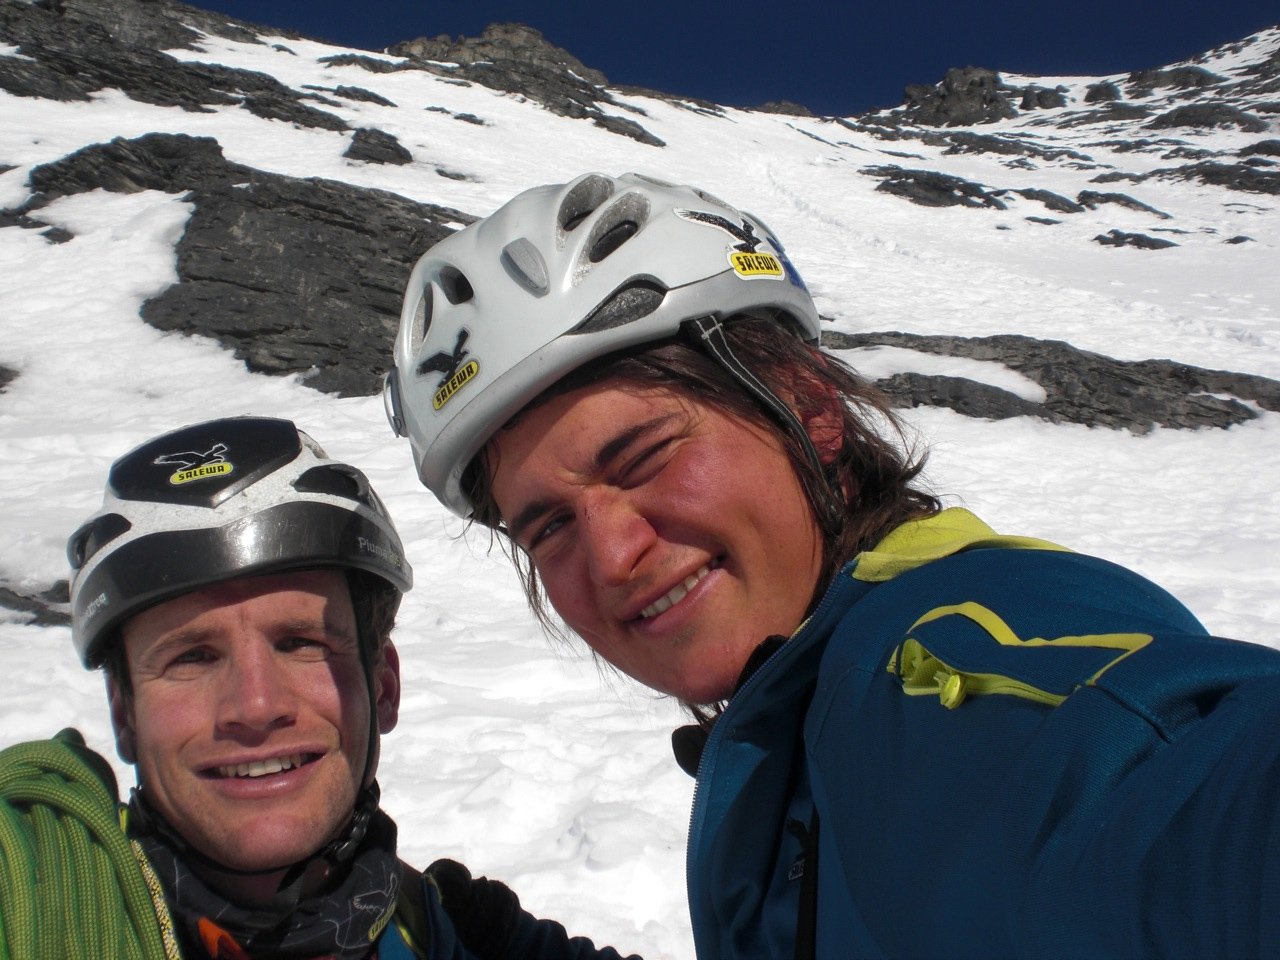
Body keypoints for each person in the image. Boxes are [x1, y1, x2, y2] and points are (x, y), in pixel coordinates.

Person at [383, 171, 1280, 959]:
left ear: (809, 407)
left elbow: (1192, 803)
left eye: (644, 456)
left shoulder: (938, 668)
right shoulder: (792, 716)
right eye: (548, 527)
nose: (612, 557)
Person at [0, 415, 642, 960]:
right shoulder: (37, 892)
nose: (255, 706)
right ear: (125, 715)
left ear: (384, 687)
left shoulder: (451, 933)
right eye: (192, 657)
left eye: (301, 643)